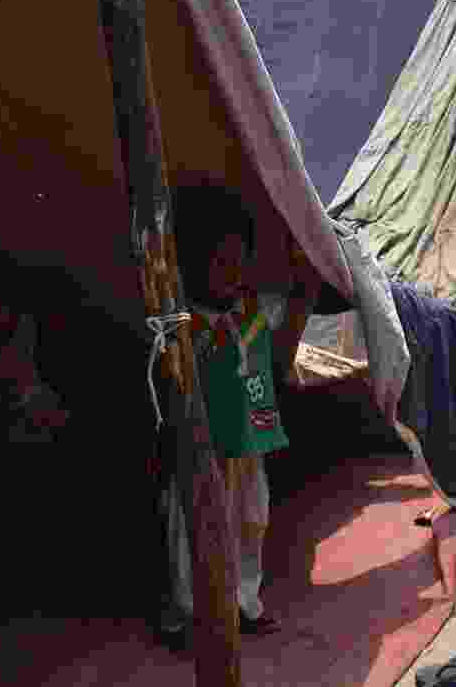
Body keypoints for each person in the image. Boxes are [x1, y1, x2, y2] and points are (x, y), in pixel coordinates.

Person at [156, 184, 312, 651]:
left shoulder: (252, 310)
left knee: (251, 520)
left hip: (251, 442)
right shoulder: (182, 323)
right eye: (221, 264)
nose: (234, 272)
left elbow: (287, 332)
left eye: (240, 261)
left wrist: (307, 287)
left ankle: (244, 602)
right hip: (203, 448)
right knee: (192, 531)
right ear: (193, 267)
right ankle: (188, 616)